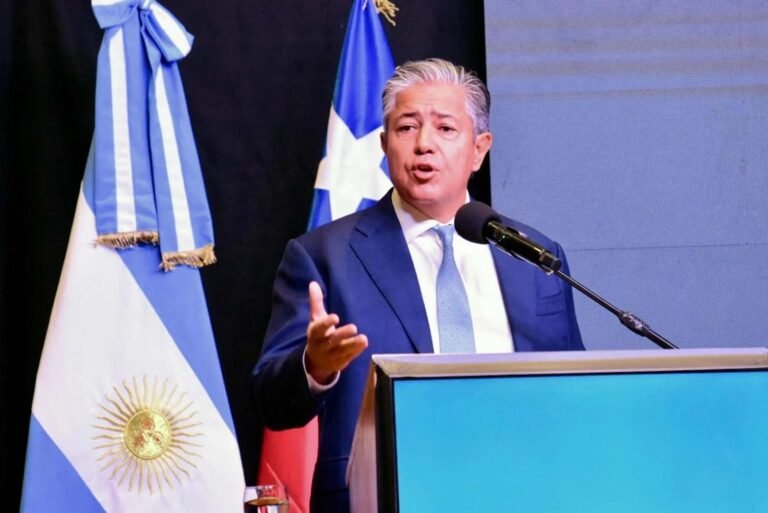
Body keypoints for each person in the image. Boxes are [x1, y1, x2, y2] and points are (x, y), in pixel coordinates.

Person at [251, 58, 583, 513]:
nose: (424, 144)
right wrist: (315, 367)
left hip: (522, 492)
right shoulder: (323, 256)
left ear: (479, 149)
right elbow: (272, 403)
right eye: (407, 128)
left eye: (445, 128)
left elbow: (572, 393)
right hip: (383, 497)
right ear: (384, 145)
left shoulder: (534, 258)